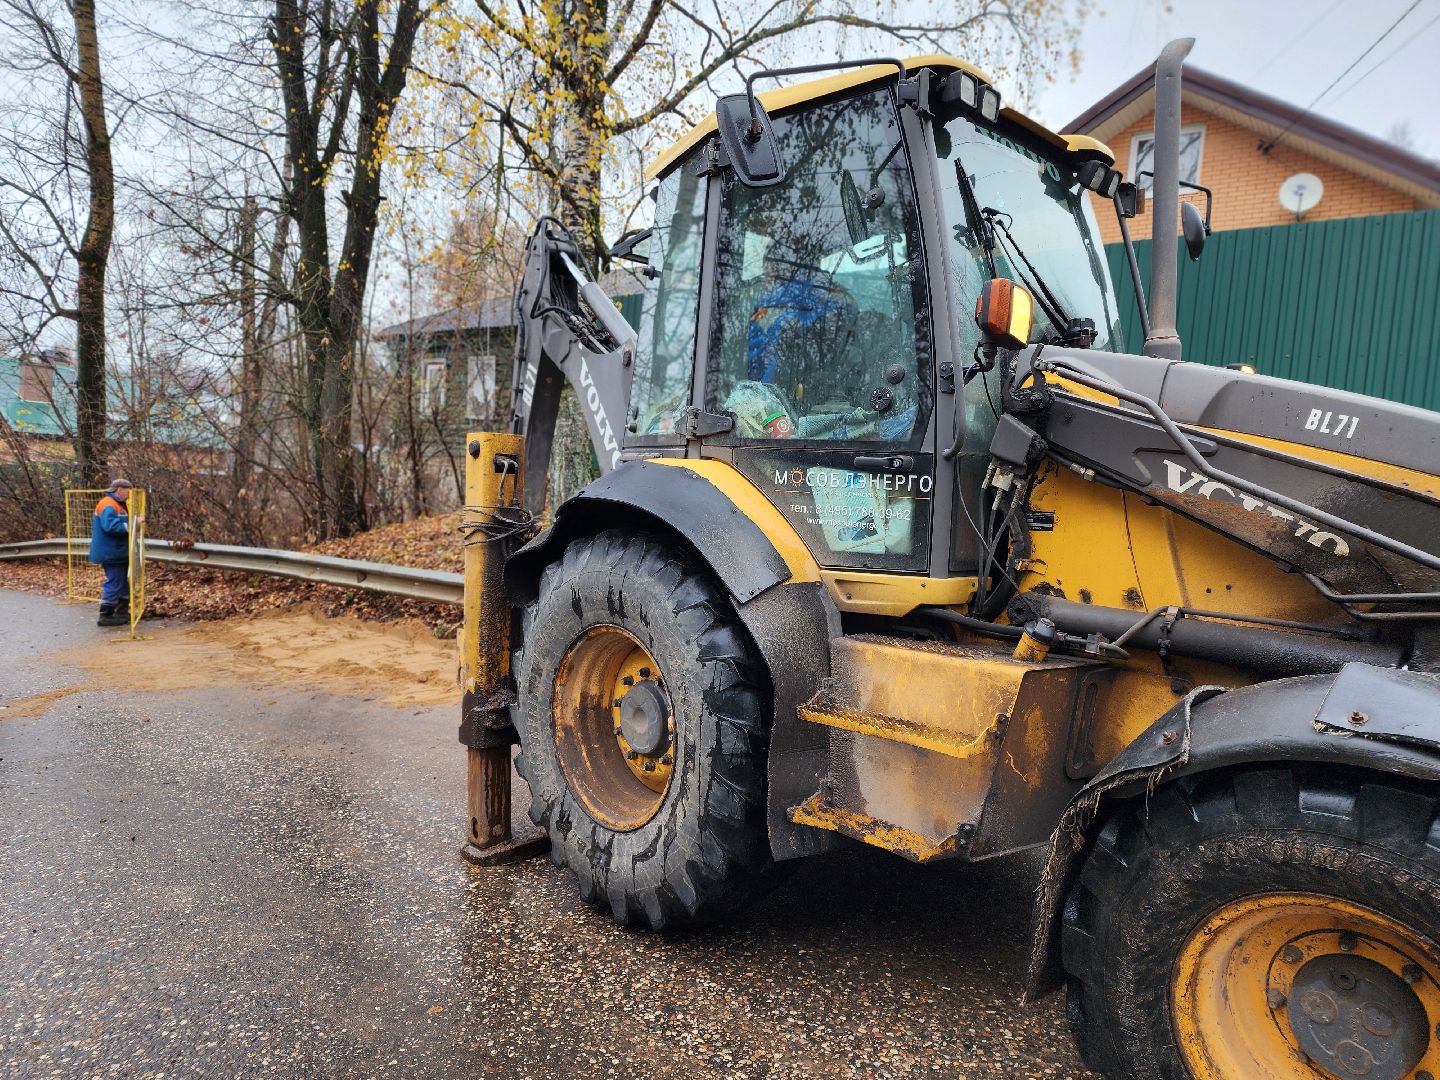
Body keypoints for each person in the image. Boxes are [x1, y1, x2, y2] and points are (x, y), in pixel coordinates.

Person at [89, 478, 140, 627]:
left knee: (122, 583)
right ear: (119, 490)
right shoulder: (109, 504)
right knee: (115, 582)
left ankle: (122, 612)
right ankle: (106, 615)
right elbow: (111, 526)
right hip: (112, 552)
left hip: (117, 551)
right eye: (128, 490)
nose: (130, 494)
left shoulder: (117, 504)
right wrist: (134, 524)